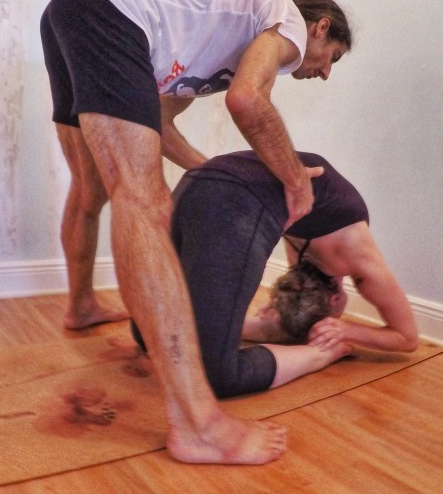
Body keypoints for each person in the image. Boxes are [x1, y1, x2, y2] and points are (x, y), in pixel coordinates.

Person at [40, 0, 351, 464]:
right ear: (320, 28)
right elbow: (248, 101)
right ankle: (196, 424)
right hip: (108, 8)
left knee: (92, 188)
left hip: (74, 5)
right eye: (332, 56)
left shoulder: (210, 46)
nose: (326, 72)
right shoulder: (289, 20)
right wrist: (295, 180)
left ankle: (81, 307)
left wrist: (210, 169)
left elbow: (159, 122)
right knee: (144, 201)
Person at [133, 151, 418, 398]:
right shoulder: (361, 260)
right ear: (333, 300)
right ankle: (321, 354)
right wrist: (343, 333)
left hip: (199, 181)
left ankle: (259, 333)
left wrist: (281, 313)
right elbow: (407, 339)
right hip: (229, 195)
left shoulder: (304, 256)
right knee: (215, 375)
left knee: (149, 333)